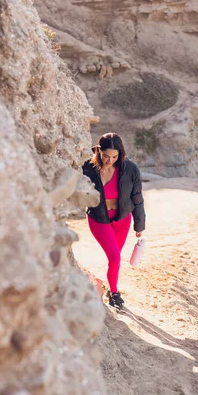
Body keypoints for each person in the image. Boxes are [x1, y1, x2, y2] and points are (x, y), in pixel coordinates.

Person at [82, 132, 145, 310]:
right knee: (115, 257)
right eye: (106, 156)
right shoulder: (88, 167)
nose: (110, 160)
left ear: (121, 154)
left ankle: (109, 287)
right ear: (98, 152)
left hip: (122, 219)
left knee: (114, 260)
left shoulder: (130, 169)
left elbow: (137, 197)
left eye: (115, 157)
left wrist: (139, 225)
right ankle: (115, 293)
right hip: (99, 218)